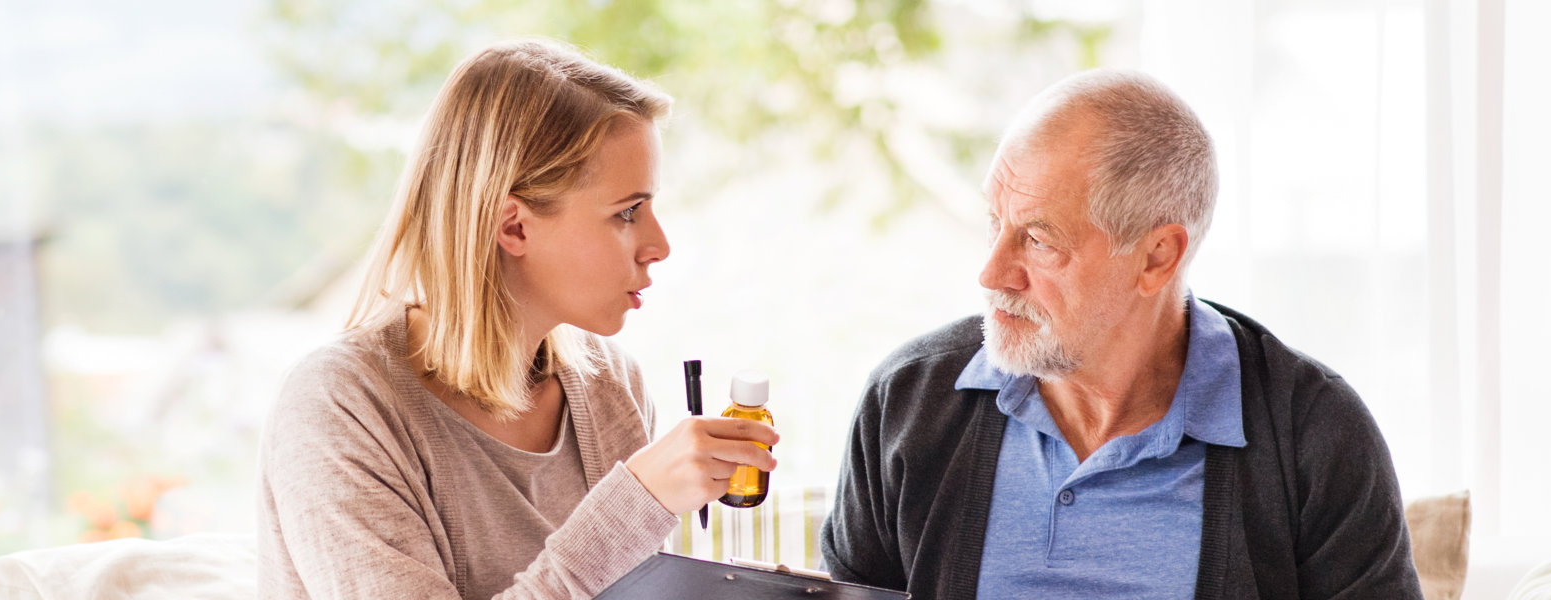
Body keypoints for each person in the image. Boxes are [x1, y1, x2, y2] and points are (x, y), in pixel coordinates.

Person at [819, 69, 1422, 599]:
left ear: (1158, 256)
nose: (992, 272)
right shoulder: (905, 404)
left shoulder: (1313, 433)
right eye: (994, 223)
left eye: (1039, 239)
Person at [256, 39, 779, 600]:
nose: (660, 245)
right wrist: (635, 505)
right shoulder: (340, 407)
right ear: (514, 228)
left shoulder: (611, 387)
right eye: (627, 212)